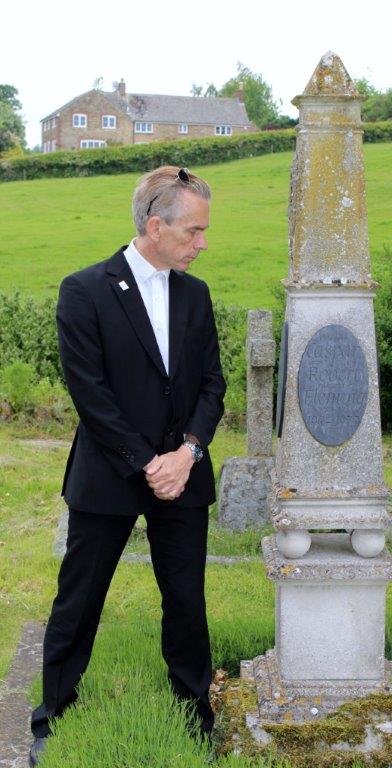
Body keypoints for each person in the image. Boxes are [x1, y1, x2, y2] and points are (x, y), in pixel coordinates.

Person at [29, 166, 226, 766]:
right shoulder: (84, 290)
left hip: (183, 475)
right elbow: (90, 396)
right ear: (156, 226)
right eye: (193, 231)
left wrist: (187, 454)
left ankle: (194, 714)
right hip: (109, 476)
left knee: (186, 601)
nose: (202, 243)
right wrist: (148, 464)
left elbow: (212, 386)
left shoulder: (195, 294)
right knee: (80, 600)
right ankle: (52, 717)